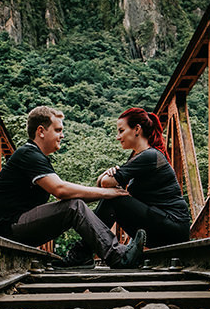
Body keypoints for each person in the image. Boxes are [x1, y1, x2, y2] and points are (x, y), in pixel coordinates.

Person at [0, 106, 147, 268]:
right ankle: (118, 257)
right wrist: (107, 192)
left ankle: (82, 256)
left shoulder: (35, 155)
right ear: (41, 131)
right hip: (9, 229)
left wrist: (107, 195)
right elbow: (61, 191)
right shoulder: (28, 154)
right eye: (58, 130)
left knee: (76, 204)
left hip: (16, 227)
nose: (62, 135)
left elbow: (66, 193)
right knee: (74, 206)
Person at [61, 107, 191, 266]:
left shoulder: (150, 156)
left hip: (172, 227)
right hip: (163, 226)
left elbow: (105, 183)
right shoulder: (143, 157)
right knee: (113, 197)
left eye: (121, 131)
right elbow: (103, 183)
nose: (118, 137)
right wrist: (105, 176)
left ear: (137, 129)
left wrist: (106, 177)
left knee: (114, 199)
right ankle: (84, 252)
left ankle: (82, 252)